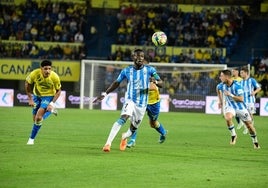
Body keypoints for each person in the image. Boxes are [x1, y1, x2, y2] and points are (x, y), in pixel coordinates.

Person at [93, 49, 163, 152]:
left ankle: (124, 137)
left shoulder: (150, 70)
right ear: (133, 57)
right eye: (137, 56)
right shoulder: (126, 71)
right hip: (130, 100)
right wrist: (105, 94)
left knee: (133, 129)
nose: (139, 58)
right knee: (123, 118)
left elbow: (161, 83)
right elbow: (116, 83)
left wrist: (155, 81)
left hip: (142, 105)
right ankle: (108, 144)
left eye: (142, 56)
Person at [127, 56, 167, 148]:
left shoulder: (151, 72)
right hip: (141, 101)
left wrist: (155, 82)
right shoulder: (136, 72)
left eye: (141, 61)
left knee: (153, 124)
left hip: (153, 103)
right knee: (135, 120)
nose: (139, 62)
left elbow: (157, 86)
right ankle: (132, 140)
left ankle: (163, 132)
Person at [218, 69, 260, 149]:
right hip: (230, 107)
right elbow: (217, 88)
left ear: (227, 77)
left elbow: (241, 99)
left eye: (221, 76)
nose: (220, 77)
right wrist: (220, 101)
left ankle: (255, 141)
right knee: (228, 117)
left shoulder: (237, 85)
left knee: (249, 126)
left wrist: (231, 95)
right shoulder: (222, 85)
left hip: (241, 107)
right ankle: (234, 135)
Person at [25, 60, 61, 145]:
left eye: (49, 69)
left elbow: (59, 91)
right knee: (36, 121)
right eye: (45, 69)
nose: (48, 71)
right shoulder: (35, 74)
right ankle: (50, 111)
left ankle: (31, 140)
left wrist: (51, 103)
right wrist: (30, 99)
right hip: (37, 96)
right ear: (41, 68)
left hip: (48, 96)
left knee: (38, 118)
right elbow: (27, 84)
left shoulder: (54, 77)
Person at [240, 66, 261, 134]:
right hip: (243, 101)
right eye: (240, 73)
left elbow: (259, 88)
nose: (241, 74)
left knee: (250, 114)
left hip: (250, 101)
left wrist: (254, 92)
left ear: (246, 73)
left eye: (242, 73)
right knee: (244, 115)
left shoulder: (252, 80)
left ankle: (250, 126)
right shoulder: (240, 82)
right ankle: (247, 126)